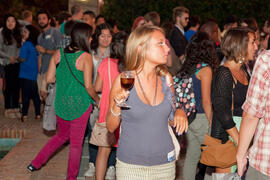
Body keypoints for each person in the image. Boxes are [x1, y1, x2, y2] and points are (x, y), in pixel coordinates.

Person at [107, 25, 188, 179]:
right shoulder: (124, 80)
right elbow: (110, 127)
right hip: (131, 166)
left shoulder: (167, 79)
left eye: (166, 44)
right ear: (140, 48)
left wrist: (180, 111)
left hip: (165, 164)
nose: (167, 49)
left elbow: (171, 120)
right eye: (160, 44)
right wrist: (117, 105)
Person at [27, 22, 100, 180]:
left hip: (61, 103)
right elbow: (88, 86)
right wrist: (97, 100)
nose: (92, 38)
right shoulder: (85, 57)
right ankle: (71, 178)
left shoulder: (59, 53)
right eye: (90, 35)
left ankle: (36, 162)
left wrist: (64, 79)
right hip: (80, 104)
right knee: (75, 144)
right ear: (84, 37)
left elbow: (49, 78)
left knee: (61, 136)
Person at [211, 27, 258, 179]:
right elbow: (222, 113)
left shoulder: (243, 69)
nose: (256, 46)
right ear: (240, 45)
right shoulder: (224, 72)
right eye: (252, 42)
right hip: (228, 138)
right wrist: (242, 145)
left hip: (242, 134)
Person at [180, 31, 218, 180]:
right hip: (201, 117)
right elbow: (206, 101)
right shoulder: (205, 69)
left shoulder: (187, 65)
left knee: (192, 156)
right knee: (212, 158)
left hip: (188, 117)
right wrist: (212, 122)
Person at [94, 31, 128, 180]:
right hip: (126, 114)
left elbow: (97, 87)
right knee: (125, 154)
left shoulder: (106, 63)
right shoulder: (131, 66)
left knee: (103, 152)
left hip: (107, 112)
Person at [84, 23, 115, 178]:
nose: (106, 39)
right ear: (97, 36)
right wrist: (95, 99)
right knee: (93, 131)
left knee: (112, 133)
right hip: (94, 97)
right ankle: (92, 163)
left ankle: (111, 166)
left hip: (110, 97)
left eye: (109, 35)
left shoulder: (115, 54)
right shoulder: (90, 53)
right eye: (102, 35)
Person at [236, 51, 270, 179]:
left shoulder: (266, 60)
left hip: (265, 160)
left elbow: (252, 114)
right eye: (252, 42)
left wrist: (241, 156)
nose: (255, 47)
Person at [36, 10, 63, 103]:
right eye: (39, 19)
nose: (41, 21)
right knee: (42, 94)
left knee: (45, 93)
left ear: (49, 20)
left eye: (44, 18)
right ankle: (47, 115)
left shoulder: (55, 32)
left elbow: (61, 51)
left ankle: (50, 115)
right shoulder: (39, 36)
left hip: (52, 69)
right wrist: (39, 71)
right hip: (42, 70)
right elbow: (39, 55)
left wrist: (45, 51)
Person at [0, 14, 22, 119]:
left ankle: (15, 107)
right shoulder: (2, 33)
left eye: (13, 21)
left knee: (16, 86)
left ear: (16, 23)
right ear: (5, 22)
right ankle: (8, 108)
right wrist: (10, 57)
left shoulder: (18, 33)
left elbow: (20, 47)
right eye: (8, 21)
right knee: (8, 86)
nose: (10, 23)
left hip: (17, 63)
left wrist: (17, 56)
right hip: (7, 63)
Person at [18, 24, 41, 121]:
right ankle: (38, 114)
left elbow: (22, 59)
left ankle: (25, 115)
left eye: (25, 32)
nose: (23, 33)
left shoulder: (26, 44)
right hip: (35, 74)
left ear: (30, 34)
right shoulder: (37, 45)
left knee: (25, 96)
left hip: (26, 74)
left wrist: (16, 58)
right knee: (36, 96)